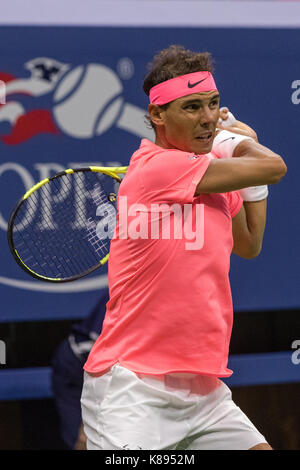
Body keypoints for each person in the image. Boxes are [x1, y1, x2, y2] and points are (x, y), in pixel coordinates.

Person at [81, 45, 287, 450]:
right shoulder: (158, 167)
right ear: (158, 115)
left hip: (203, 390)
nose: (208, 117)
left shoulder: (209, 179)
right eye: (192, 107)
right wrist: (237, 144)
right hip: (133, 387)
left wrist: (245, 168)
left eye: (213, 104)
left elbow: (249, 243)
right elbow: (275, 165)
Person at [51, 290, 109, 450]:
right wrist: (87, 424)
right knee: (84, 440)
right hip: (77, 368)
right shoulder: (129, 289)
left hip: (113, 372)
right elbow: (101, 358)